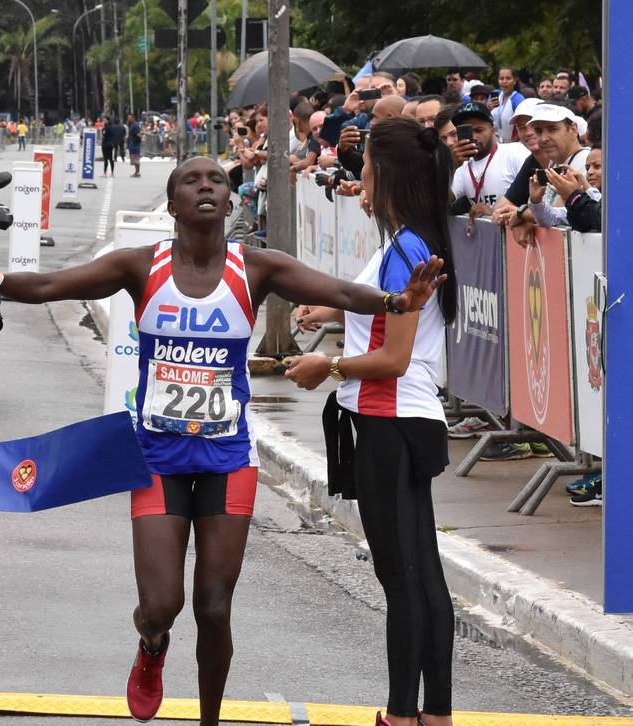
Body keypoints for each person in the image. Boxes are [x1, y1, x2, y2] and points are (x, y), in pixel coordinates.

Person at [0, 154, 445, 726]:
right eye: (191, 182)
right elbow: (52, 284)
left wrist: (399, 303)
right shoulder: (138, 265)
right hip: (157, 456)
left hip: (228, 458)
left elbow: (346, 294)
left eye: (217, 181)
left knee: (215, 606)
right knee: (160, 606)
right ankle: (151, 648)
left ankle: (208, 721)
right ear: (172, 205)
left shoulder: (257, 268)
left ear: (229, 201)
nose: (206, 187)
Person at [286, 117, 458, 726]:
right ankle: (432, 715)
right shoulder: (409, 241)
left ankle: (401, 716)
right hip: (404, 418)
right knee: (420, 573)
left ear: (384, 172)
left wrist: (326, 367)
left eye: (363, 163)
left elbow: (393, 357)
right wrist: (331, 308)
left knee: (403, 578)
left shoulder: (408, 247)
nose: (357, 173)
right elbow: (382, 318)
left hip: (391, 418)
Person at [447, 102, 530, 219]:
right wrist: (452, 166)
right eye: (467, 132)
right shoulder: (461, 167)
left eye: (479, 130)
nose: (474, 137)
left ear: (493, 129)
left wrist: (493, 213)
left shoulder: (515, 152)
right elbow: (443, 201)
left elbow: (538, 199)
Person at [489, 67, 526, 141]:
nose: (504, 81)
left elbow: (523, 124)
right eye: (501, 79)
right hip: (495, 144)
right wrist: (488, 108)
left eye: (508, 78)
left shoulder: (518, 99)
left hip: (512, 144)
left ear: (515, 81)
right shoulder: (495, 95)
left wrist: (513, 141)